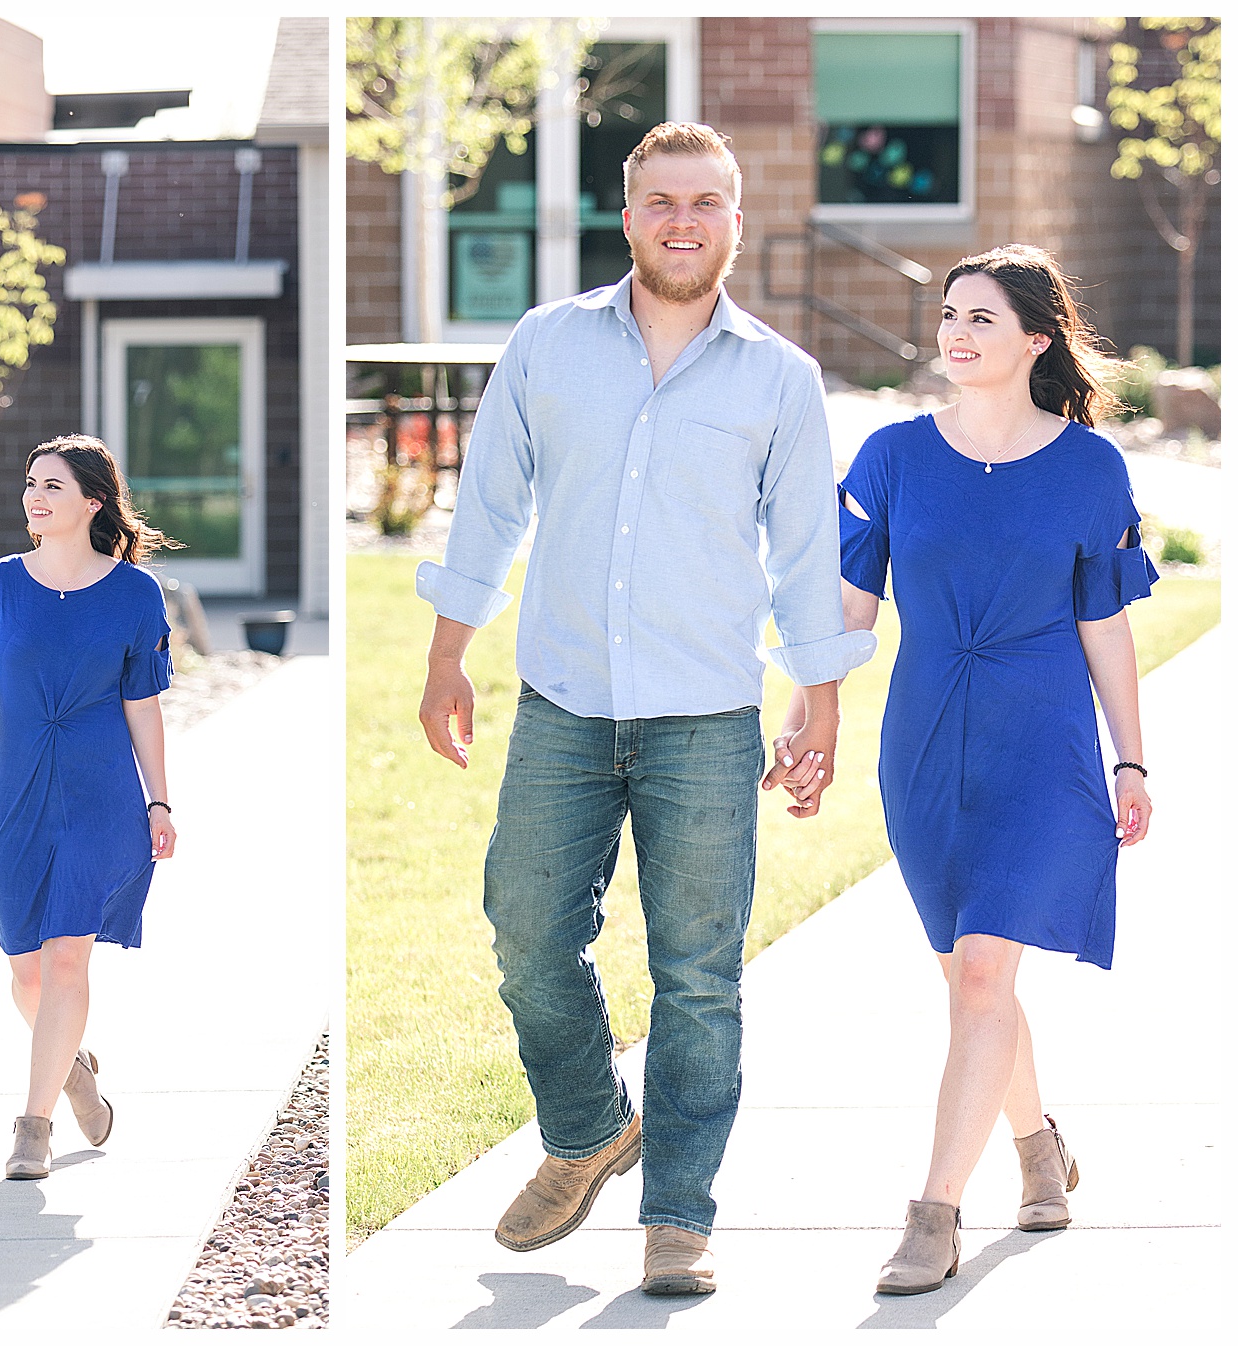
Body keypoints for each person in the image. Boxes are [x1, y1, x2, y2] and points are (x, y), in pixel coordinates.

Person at [415, 121, 875, 1295]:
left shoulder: (779, 375)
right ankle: (587, 1125)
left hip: (706, 712)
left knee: (699, 973)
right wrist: (447, 650)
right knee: (523, 929)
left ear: (735, 219)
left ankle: (679, 1211)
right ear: (626, 216)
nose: (683, 220)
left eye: (707, 202)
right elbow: (491, 505)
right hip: (565, 697)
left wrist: (818, 699)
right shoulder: (548, 344)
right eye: (661, 200)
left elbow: (804, 549)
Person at [827, 245, 1156, 1295]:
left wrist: (1132, 757)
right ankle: (1039, 1148)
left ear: (1037, 339)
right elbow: (847, 612)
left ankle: (932, 1217)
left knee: (981, 973)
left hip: (1043, 744)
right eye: (950, 315)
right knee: (973, 979)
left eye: (982, 318)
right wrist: (809, 712)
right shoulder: (889, 457)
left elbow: (1104, 622)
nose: (957, 334)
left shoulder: (1091, 468)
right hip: (924, 749)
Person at [0, 434, 178, 1180]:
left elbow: (144, 704)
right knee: (25, 969)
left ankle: (32, 1128)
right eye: (32, 483)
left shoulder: (135, 594)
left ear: (94, 501)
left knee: (69, 955)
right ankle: (73, 1070)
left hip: (103, 796)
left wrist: (159, 800)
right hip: (17, 793)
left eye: (55, 486)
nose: (35, 496)